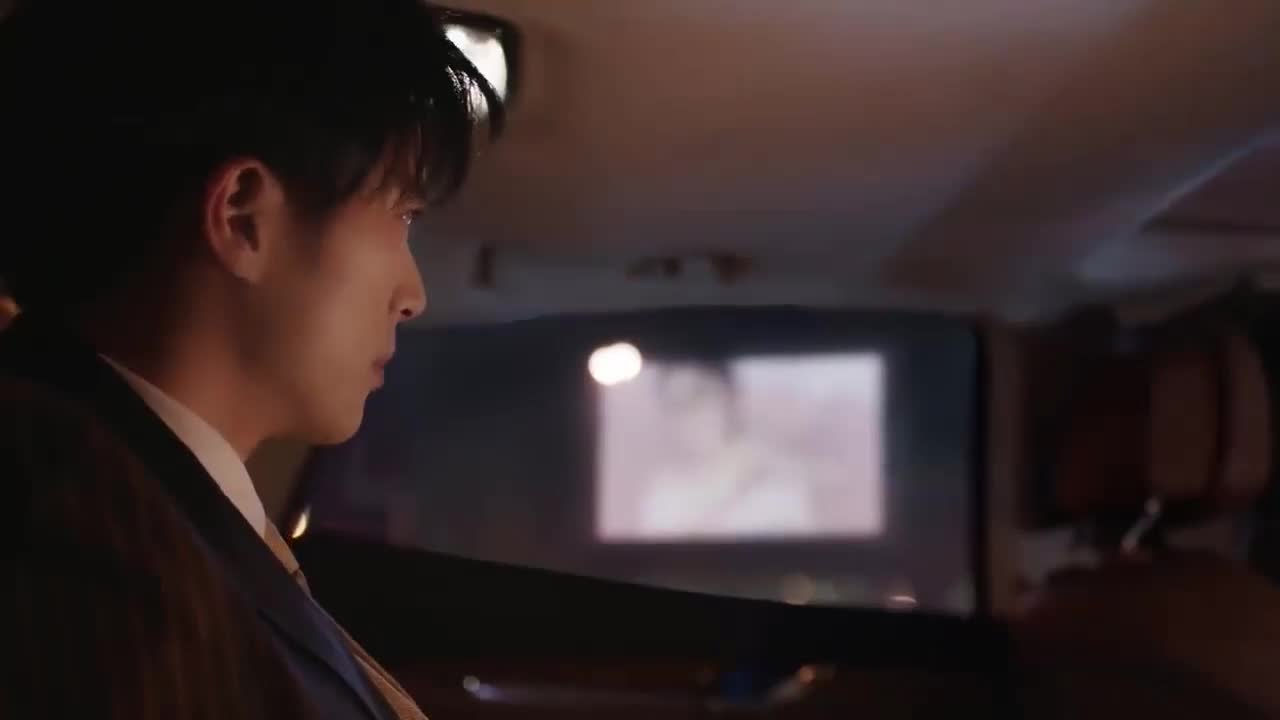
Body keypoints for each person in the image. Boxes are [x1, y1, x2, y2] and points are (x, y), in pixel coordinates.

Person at [0, 0, 503, 717]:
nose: (413, 296)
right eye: (401, 215)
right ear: (242, 216)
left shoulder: (137, 498)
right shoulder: (93, 553)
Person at [637, 360, 816, 538]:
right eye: (676, 405)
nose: (690, 413)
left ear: (729, 395)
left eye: (700, 394)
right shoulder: (664, 494)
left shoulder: (780, 483)